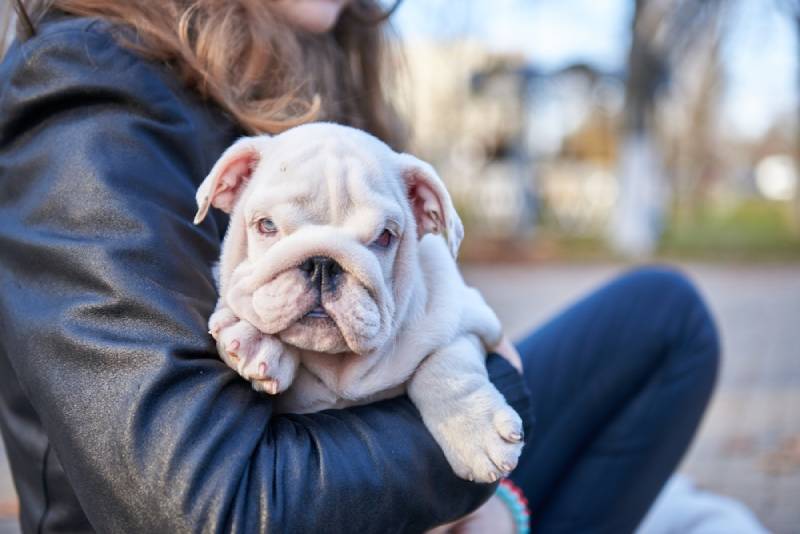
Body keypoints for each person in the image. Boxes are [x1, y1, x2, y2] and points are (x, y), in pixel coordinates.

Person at [0, 1, 719, 532]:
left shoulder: (294, 68)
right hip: (262, 497)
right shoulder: (88, 94)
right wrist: (491, 392)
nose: (321, 267)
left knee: (665, 318)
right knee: (661, 324)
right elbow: (207, 507)